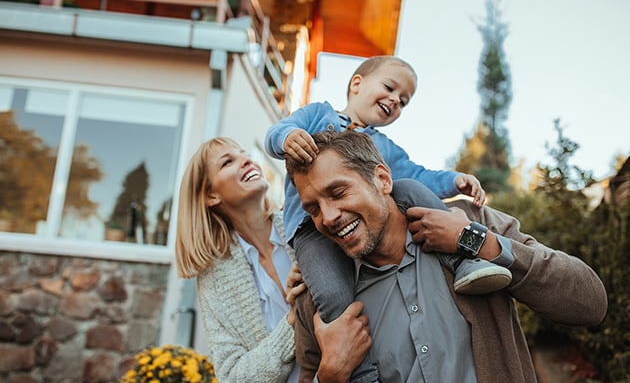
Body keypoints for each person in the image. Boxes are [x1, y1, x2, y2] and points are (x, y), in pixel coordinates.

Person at [286, 130, 608, 383]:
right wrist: (330, 377)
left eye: (338, 192)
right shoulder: (318, 301)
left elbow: (590, 303)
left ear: (382, 180)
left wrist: (475, 242)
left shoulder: (471, 223)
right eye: (313, 208)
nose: (327, 217)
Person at [265, 55, 511, 381]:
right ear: (357, 84)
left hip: (364, 222)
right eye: (390, 87)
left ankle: (464, 260)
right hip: (311, 230)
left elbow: (416, 175)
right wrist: (287, 139)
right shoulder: (318, 114)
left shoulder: (384, 148)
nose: (396, 100)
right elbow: (278, 131)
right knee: (333, 294)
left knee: (408, 187)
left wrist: (454, 181)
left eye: (404, 101)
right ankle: (362, 373)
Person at [175, 137, 307, 383]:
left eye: (245, 154)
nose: (248, 160)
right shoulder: (214, 280)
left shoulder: (302, 228)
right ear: (212, 195)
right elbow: (233, 377)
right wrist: (291, 322)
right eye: (228, 162)